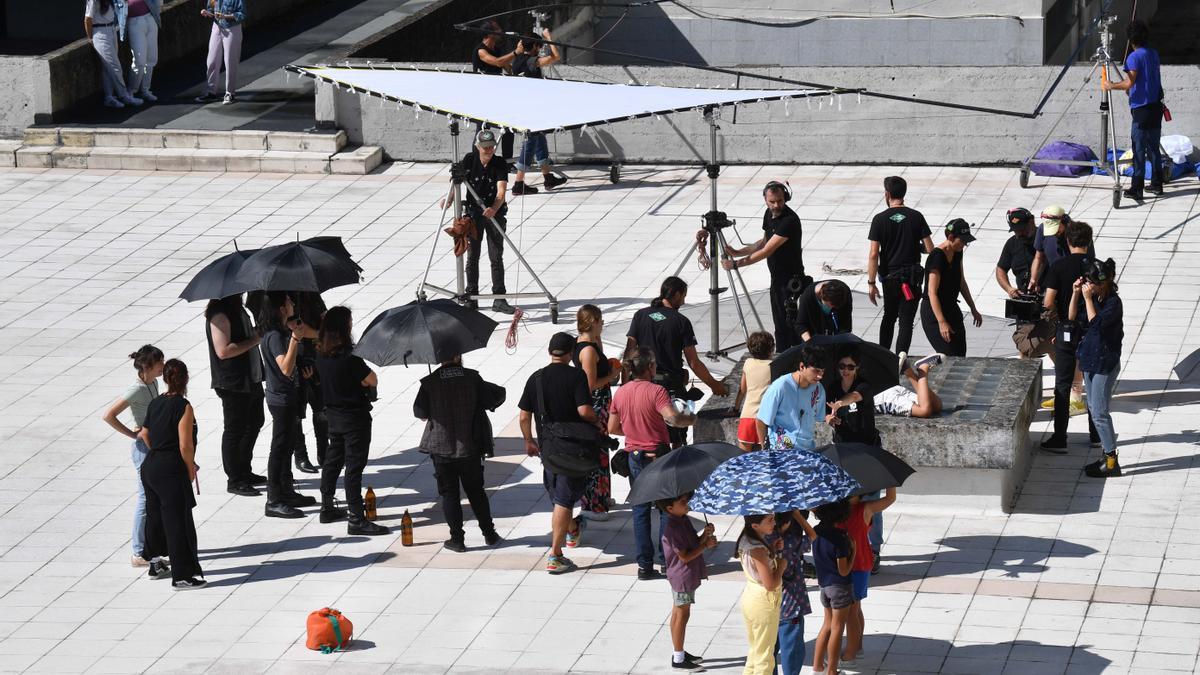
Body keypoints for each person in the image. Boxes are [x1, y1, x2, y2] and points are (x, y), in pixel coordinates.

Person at [610, 346, 697, 580]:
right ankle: (667, 560)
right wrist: (688, 419)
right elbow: (671, 417)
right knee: (666, 509)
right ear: (650, 367)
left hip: (634, 456)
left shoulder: (621, 392)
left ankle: (644, 566)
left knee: (639, 511)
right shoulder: (657, 391)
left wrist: (632, 430)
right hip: (658, 457)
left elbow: (612, 427)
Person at [519, 332, 595, 574]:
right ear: (571, 353)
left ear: (550, 352)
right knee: (564, 499)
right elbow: (583, 411)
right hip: (572, 447)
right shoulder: (576, 376)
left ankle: (572, 529)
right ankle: (556, 554)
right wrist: (597, 421)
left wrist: (529, 440)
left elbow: (524, 415)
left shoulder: (536, 378)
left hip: (548, 448)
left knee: (558, 494)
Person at [414, 355, 505, 551]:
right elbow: (490, 400)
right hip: (470, 446)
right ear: (458, 356)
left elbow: (419, 412)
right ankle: (489, 534)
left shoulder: (429, 382)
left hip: (441, 448)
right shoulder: (472, 377)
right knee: (476, 492)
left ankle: (457, 540)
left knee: (450, 494)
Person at [626, 277, 729, 447]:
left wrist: (626, 384)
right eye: (683, 296)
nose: (683, 301)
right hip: (670, 387)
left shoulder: (640, 315)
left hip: (642, 385)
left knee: (645, 432)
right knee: (676, 437)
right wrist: (713, 384)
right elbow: (694, 362)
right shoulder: (681, 322)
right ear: (676, 294)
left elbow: (629, 351)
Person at [315, 306, 387, 535]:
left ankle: (326, 506)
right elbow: (372, 379)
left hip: (333, 416)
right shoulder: (350, 357)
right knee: (354, 467)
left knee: (333, 460)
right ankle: (356, 517)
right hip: (355, 418)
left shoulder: (320, 353)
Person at [137, 359, 205, 590]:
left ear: (165, 379)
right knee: (178, 522)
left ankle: (155, 563)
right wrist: (189, 470)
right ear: (185, 379)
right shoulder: (183, 406)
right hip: (171, 468)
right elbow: (186, 445)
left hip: (151, 465)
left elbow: (145, 434)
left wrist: (158, 451)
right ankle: (183, 576)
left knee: (154, 516)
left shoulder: (155, 403)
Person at [721, 181, 808, 351]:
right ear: (765, 200)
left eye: (780, 201)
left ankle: (793, 355)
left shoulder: (789, 221)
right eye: (772, 202)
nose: (776, 205)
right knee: (780, 323)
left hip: (790, 280)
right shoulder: (769, 215)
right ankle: (783, 355)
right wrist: (739, 252)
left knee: (789, 323)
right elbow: (764, 241)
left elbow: (767, 250)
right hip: (777, 279)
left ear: (786, 199)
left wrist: (736, 264)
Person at [1040, 221, 1101, 453]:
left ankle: (1060, 438)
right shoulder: (1096, 267)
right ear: (1089, 241)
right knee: (1092, 384)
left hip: (1066, 330)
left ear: (1068, 241)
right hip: (1091, 331)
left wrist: (1056, 324)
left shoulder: (1058, 266)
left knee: (1063, 385)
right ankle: (1096, 434)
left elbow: (1048, 302)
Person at [101, 345, 164, 567]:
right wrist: (132, 434)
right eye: (159, 364)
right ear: (147, 366)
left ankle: (153, 543)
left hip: (154, 444)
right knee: (145, 498)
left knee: (154, 497)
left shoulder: (153, 383)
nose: (162, 368)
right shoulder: (135, 389)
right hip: (143, 449)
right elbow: (109, 415)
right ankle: (138, 552)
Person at [257, 292, 318, 519]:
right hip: (280, 399)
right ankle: (273, 500)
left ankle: (286, 490)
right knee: (280, 448)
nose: (292, 303)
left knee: (288, 444)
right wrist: (295, 339)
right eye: (289, 301)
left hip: (288, 396)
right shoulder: (274, 336)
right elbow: (284, 368)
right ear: (281, 308)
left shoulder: (281, 330)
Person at [442, 129, 514, 314]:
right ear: (477, 147)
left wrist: (494, 208)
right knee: (472, 256)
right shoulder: (469, 160)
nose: (488, 151)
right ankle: (471, 296)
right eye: (485, 148)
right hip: (474, 215)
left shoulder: (499, 163)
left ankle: (499, 298)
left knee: (496, 256)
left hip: (494, 214)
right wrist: (448, 200)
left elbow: (501, 191)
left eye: (491, 148)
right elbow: (456, 184)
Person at [205, 294, 265, 497]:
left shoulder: (239, 310)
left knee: (255, 422)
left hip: (251, 378)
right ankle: (235, 478)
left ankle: (244, 469)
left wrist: (255, 333)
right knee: (234, 430)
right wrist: (255, 339)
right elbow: (223, 351)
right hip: (234, 383)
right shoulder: (220, 315)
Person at [866, 176, 934, 356]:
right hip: (911, 280)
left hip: (890, 280)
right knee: (906, 322)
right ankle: (900, 358)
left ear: (887, 194)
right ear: (904, 193)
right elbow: (929, 248)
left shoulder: (879, 219)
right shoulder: (916, 216)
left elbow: (874, 254)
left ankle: (883, 356)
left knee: (889, 317)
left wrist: (871, 283)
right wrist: (914, 246)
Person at [1102, 19, 1164, 201]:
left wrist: (1110, 85)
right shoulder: (1153, 54)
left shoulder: (1133, 57)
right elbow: (1146, 80)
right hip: (1155, 106)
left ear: (1130, 39)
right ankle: (1157, 184)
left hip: (1142, 109)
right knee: (1154, 147)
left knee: (1138, 148)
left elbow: (1129, 82)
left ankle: (1136, 188)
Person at [1073, 259, 1124, 477]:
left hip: (1105, 363)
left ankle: (1112, 461)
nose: (1088, 286)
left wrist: (1087, 298)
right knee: (1093, 410)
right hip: (1090, 360)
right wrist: (1077, 295)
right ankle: (1106, 456)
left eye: (1090, 283)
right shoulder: (1095, 298)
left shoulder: (1113, 303)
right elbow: (1072, 317)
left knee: (1101, 413)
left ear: (1100, 283)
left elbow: (1096, 324)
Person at [657, 492, 717, 672]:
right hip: (682, 576)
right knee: (682, 615)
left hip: (683, 575)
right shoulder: (673, 528)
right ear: (669, 508)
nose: (687, 503)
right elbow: (685, 556)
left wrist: (705, 536)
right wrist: (705, 545)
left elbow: (692, 544)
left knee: (678, 612)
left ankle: (679, 651)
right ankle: (678, 656)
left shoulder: (682, 519)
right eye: (682, 502)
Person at [837, 488, 896, 667]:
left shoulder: (866, 508)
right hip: (853, 565)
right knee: (856, 608)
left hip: (857, 565)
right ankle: (857, 647)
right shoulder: (838, 508)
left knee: (851, 612)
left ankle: (850, 654)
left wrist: (890, 483)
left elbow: (890, 498)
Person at [572, 305, 621, 521]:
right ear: (593, 321)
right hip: (596, 404)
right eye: (600, 321)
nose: (603, 324)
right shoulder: (588, 351)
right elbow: (590, 385)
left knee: (602, 448)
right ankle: (593, 504)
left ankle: (602, 497)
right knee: (597, 451)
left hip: (601, 404)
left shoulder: (589, 344)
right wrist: (612, 376)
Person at [510, 30, 568, 196]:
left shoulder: (517, 61)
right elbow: (555, 58)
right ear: (534, 46)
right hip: (531, 109)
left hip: (524, 106)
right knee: (530, 144)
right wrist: (549, 39)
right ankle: (518, 184)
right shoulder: (531, 61)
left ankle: (548, 177)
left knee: (540, 141)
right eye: (539, 45)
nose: (540, 48)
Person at [997, 207, 1056, 363]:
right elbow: (1000, 269)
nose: (1020, 233)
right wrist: (1009, 289)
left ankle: (1068, 379)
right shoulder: (1012, 244)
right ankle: (1024, 378)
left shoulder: (1047, 240)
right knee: (1025, 344)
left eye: (1023, 229)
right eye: (1016, 230)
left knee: (1052, 343)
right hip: (1025, 302)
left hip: (1048, 301)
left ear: (1032, 221)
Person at [919, 219, 982, 357]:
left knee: (960, 353)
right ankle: (927, 368)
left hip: (951, 308)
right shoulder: (937, 257)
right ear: (951, 237)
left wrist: (973, 307)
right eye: (963, 240)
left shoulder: (957, 252)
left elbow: (961, 282)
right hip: (934, 312)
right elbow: (932, 292)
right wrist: (942, 322)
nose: (965, 244)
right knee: (947, 355)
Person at [736, 513, 786, 675]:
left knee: (756, 651)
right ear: (755, 526)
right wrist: (781, 567)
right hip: (763, 602)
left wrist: (771, 549)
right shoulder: (757, 549)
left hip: (752, 597)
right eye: (769, 520)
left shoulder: (747, 539)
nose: (774, 522)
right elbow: (770, 584)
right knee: (765, 657)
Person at [811, 500, 855, 675]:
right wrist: (855, 552)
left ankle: (817, 667)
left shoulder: (816, 531)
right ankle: (832, 671)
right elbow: (844, 571)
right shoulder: (841, 538)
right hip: (840, 587)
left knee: (827, 625)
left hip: (824, 585)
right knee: (837, 628)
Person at [756, 344, 827, 451]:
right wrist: (764, 449)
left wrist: (830, 418)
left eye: (822, 371)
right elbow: (761, 420)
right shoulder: (780, 386)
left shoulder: (819, 389)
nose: (820, 376)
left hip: (807, 450)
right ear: (802, 366)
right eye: (816, 371)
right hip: (781, 449)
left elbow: (819, 417)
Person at [771, 511, 816, 675]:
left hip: (769, 605)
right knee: (792, 651)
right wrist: (798, 515)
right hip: (791, 604)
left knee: (769, 650)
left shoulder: (762, 542)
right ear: (787, 522)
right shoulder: (791, 541)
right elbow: (812, 536)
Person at [471, 20, 516, 160]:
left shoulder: (497, 49)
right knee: (483, 130)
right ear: (490, 33)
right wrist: (516, 52)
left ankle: (507, 161)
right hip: (484, 96)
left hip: (498, 95)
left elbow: (506, 66)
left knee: (509, 128)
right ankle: (476, 160)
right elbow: (497, 62)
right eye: (498, 30)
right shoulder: (481, 51)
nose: (501, 32)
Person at [292, 291, 327, 473]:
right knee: (297, 413)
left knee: (321, 409)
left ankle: (324, 451)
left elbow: (323, 320)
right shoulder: (285, 299)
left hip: (315, 356)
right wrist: (320, 333)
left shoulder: (311, 295)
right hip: (295, 360)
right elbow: (299, 329)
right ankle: (301, 455)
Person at [85, 0, 142, 109]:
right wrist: (90, 38)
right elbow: (88, 19)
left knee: (107, 68)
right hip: (100, 31)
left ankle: (109, 97)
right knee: (114, 66)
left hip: (111, 29)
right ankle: (124, 96)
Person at [822, 350, 880, 446]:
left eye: (850, 367)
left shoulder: (864, 385)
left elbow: (854, 396)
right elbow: (828, 412)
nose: (846, 370)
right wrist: (830, 418)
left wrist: (839, 403)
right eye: (842, 366)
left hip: (866, 443)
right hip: (842, 441)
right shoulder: (833, 387)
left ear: (857, 367)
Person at [194, 0, 245, 105]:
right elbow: (211, 8)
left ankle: (230, 92)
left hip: (232, 28)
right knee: (212, 60)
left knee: (230, 61)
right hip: (217, 26)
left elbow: (242, 14)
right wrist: (207, 12)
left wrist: (226, 16)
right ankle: (211, 91)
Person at [734, 331, 775, 451]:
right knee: (765, 457)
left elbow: (742, 390)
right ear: (771, 349)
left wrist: (736, 408)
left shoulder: (748, 363)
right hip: (766, 418)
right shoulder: (774, 366)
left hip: (747, 416)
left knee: (743, 458)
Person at [125, 0, 160, 102]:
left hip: (150, 18)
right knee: (139, 60)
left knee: (152, 58)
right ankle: (131, 91)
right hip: (134, 21)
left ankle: (145, 90)